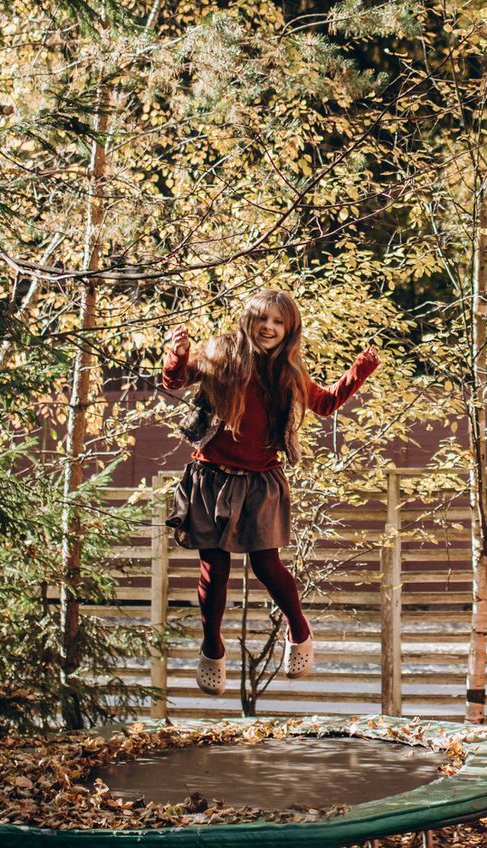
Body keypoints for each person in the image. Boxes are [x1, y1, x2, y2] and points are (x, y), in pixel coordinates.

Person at [161, 289, 379, 695]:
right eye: (263, 319)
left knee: (266, 565)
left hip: (260, 480)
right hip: (210, 478)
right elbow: (175, 380)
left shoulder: (289, 373)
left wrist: (359, 371)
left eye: (278, 322)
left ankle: (300, 631)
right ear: (249, 321)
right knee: (215, 568)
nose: (269, 328)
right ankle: (212, 647)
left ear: (289, 330)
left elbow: (327, 403)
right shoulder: (219, 354)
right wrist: (177, 352)